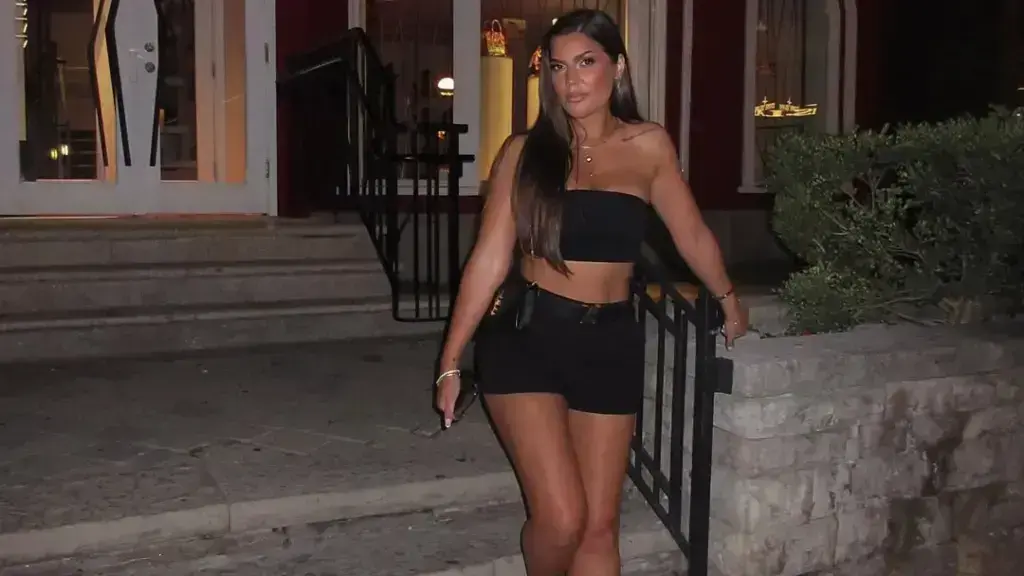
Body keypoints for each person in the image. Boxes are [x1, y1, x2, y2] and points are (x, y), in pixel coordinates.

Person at [435, 9, 748, 576]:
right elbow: (488, 259)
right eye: (558, 67)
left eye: (586, 62)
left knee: (600, 527)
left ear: (617, 67)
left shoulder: (648, 145)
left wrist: (727, 299)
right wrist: (451, 360)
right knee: (561, 519)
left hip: (609, 342)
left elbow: (691, 234)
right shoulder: (524, 152)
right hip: (527, 338)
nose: (571, 80)